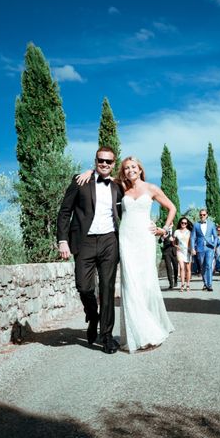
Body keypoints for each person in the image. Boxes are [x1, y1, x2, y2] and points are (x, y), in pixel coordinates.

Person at [75, 156, 176, 353]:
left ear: (140, 169)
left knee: (145, 283)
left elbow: (171, 207)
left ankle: (147, 328)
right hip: (127, 239)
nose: (130, 170)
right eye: (126, 168)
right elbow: (102, 175)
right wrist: (89, 172)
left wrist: (164, 229)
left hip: (145, 239)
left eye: (133, 167)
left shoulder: (152, 188)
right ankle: (136, 334)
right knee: (130, 284)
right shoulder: (121, 186)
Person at [57, 146, 124, 354]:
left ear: (114, 164)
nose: (104, 164)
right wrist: (62, 240)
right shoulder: (81, 181)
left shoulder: (117, 186)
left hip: (109, 241)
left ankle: (106, 336)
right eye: (100, 160)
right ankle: (92, 315)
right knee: (84, 287)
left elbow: (129, 207)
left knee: (107, 288)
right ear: (95, 161)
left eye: (108, 161)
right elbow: (65, 211)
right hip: (84, 241)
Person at [191, 209, 218, 291]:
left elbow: (216, 236)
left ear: (207, 215)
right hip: (200, 248)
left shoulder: (211, 224)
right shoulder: (196, 225)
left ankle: (209, 285)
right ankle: (205, 283)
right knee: (202, 266)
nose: (202, 216)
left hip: (209, 247)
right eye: (200, 215)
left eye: (203, 214)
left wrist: (215, 245)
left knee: (209, 266)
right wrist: (192, 248)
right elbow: (192, 237)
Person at [173, 216, 193, 292]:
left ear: (187, 224)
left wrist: (191, 249)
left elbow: (192, 241)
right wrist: (176, 246)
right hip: (180, 251)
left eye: (185, 223)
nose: (183, 224)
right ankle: (182, 284)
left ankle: (188, 284)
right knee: (181, 267)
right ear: (180, 223)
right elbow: (173, 242)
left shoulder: (189, 232)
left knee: (188, 269)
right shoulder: (176, 231)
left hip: (187, 251)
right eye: (182, 222)